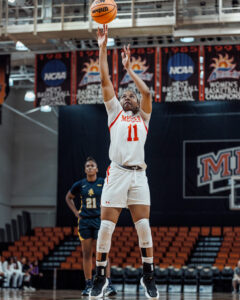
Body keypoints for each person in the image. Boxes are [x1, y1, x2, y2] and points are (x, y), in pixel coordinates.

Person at [90, 25, 159, 299]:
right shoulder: (115, 113)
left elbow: (148, 94)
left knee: (144, 227)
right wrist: (103, 47)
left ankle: (148, 276)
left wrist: (130, 70)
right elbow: (105, 80)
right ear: (119, 101)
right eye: (125, 95)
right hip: (117, 174)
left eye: (131, 95)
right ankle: (99, 277)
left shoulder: (144, 117)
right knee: (106, 229)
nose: (128, 97)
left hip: (138, 176)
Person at [66, 157, 116, 296]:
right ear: (85, 169)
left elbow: (112, 196)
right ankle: (88, 284)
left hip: (100, 221)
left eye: (92, 165)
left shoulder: (103, 182)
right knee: (87, 254)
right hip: (85, 222)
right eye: (87, 165)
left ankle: (108, 284)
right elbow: (68, 197)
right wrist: (76, 212)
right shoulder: (80, 184)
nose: (89, 167)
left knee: (103, 253)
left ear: (96, 169)